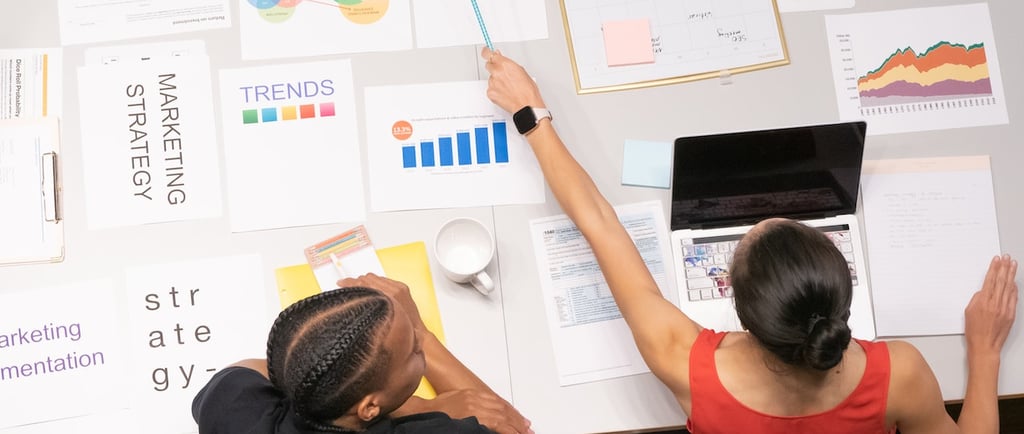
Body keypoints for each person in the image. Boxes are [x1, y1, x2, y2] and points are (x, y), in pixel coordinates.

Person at [481, 47, 1019, 434]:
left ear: (738, 308)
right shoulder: (900, 374)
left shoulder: (685, 363)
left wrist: (533, 115)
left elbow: (598, 222)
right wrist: (986, 351)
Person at [192, 273, 533, 434]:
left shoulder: (228, 403)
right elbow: (517, 429)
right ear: (370, 407)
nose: (418, 342)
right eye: (413, 350)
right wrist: (429, 400)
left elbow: (256, 369)